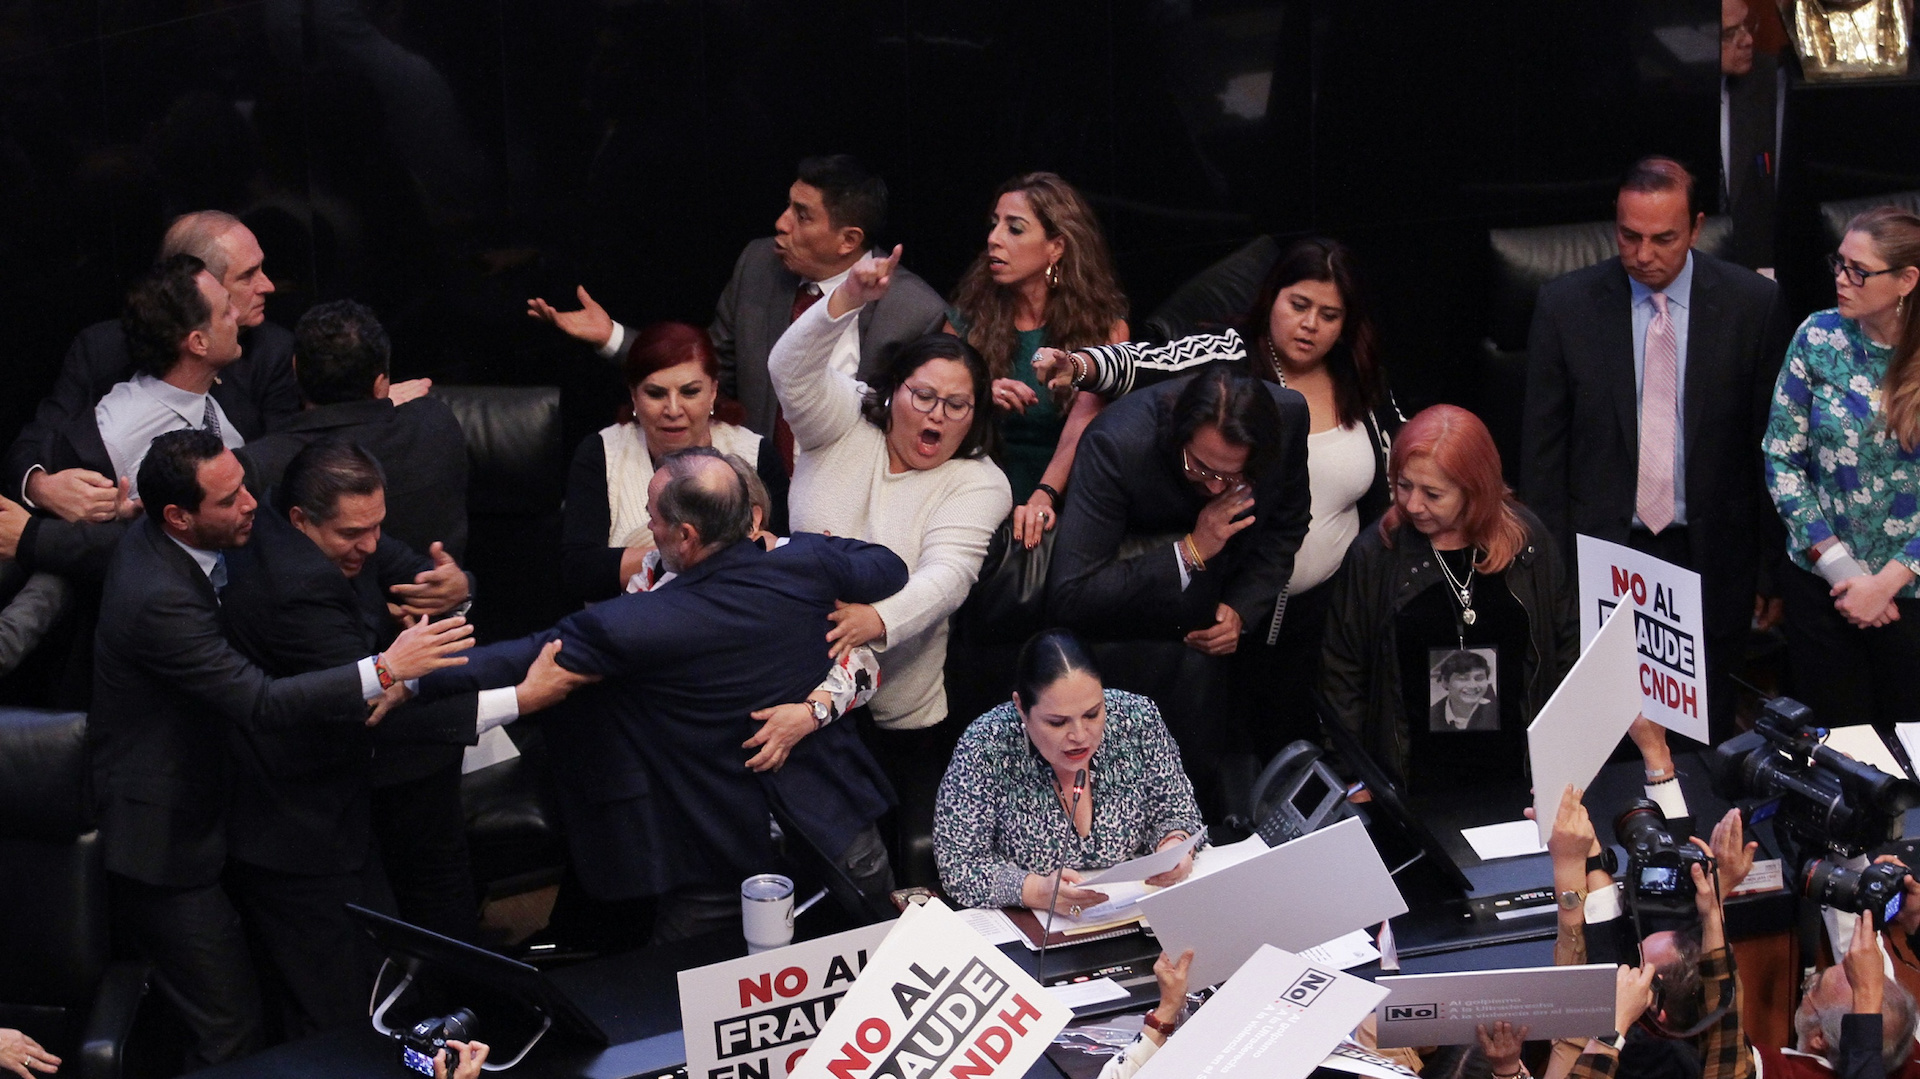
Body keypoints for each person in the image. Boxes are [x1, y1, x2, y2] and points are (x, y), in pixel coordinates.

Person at [412, 447, 909, 940]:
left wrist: (404, 672)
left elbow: (515, 658)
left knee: (674, 991)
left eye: (653, 517)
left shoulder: (640, 622)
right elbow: (887, 566)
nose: (648, 527)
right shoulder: (809, 562)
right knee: (888, 950)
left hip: (717, 843)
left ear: (686, 536)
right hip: (832, 816)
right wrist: (854, 606)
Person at [90, 428, 472, 1067]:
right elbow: (260, 702)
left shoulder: (196, 524)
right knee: (228, 1029)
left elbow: (382, 553)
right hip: (166, 841)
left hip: (222, 809)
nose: (250, 505)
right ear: (178, 517)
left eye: (243, 484)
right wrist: (383, 669)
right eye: (229, 499)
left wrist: (451, 584)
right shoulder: (157, 597)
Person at [218, 439, 569, 1033]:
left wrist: (455, 589)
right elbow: (376, 708)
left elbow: (407, 570)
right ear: (302, 521)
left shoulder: (319, 523)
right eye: (353, 534)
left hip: (374, 785)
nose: (371, 543)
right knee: (348, 994)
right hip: (309, 808)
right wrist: (520, 699)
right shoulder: (294, 586)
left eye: (377, 525)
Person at [1035, 237, 1402, 754]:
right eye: (1299, 305)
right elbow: (1148, 361)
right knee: (1237, 745)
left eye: (1329, 314)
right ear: (1272, 296)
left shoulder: (1349, 381)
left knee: (1319, 748)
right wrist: (1080, 367)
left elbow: (1389, 454)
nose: (1310, 325)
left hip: (1327, 605)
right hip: (1229, 602)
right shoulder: (1227, 357)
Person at [1522, 156, 1788, 745]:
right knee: (1609, 738)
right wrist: (1548, 572)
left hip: (1709, 555)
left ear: (1695, 228)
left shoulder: (1752, 306)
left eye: (1663, 238)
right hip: (1603, 555)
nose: (1644, 254)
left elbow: (1769, 449)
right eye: (1629, 236)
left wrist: (1771, 569)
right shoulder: (1567, 306)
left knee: (1702, 737)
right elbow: (1543, 454)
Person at [767, 246, 1012, 854]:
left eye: (957, 406)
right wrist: (845, 300)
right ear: (892, 390)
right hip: (790, 682)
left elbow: (949, 577)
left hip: (895, 716)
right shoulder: (842, 420)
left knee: (892, 870)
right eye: (922, 396)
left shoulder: (979, 480)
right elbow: (789, 369)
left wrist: (875, 620)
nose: (937, 416)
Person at [528, 155, 947, 455]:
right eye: (788, 206)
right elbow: (709, 371)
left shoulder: (912, 311)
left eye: (802, 216)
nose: (781, 223)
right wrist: (613, 338)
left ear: (849, 241)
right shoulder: (759, 268)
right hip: (757, 492)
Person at [1046, 363, 1308, 812]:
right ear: (1180, 433)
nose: (1213, 487)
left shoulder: (1289, 414)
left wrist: (1243, 606)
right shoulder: (1117, 442)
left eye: (1231, 477)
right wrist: (1191, 550)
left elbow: (1287, 523)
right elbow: (1071, 591)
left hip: (1216, 662)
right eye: (1200, 467)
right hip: (1123, 653)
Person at [1322, 405, 1578, 791]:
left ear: (1475, 490)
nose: (1412, 505)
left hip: (1518, 778)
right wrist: (1353, 779)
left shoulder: (1529, 543)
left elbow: (1568, 651)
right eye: (1404, 485)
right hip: (1412, 782)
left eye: (1433, 494)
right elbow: (1342, 675)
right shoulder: (1377, 554)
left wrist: (1566, 759)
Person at [4, 212, 299, 523]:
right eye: (247, 275)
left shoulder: (272, 351)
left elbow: (279, 461)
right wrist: (40, 486)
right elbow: (34, 442)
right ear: (197, 282)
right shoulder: (103, 352)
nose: (267, 285)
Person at [1763, 206, 1920, 729]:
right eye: (1840, 263)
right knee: (1841, 757)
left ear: (1906, 281)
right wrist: (1842, 569)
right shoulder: (1818, 336)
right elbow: (1782, 458)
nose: (1841, 279)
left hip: (1910, 597)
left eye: (1859, 270)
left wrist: (1887, 583)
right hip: (1824, 589)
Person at [934, 629, 1202, 912]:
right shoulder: (985, 744)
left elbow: (1177, 812)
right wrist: (1034, 890)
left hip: (1139, 909)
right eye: (1057, 722)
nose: (1079, 735)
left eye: (1092, 714)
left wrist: (1175, 846)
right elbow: (959, 865)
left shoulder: (1137, 719)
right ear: (1021, 708)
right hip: (1036, 924)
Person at [944, 171, 1129, 527]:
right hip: (973, 489)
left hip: (1068, 495)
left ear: (1056, 247)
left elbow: (1083, 426)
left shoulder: (1105, 326)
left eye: (1014, 228)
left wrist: (1044, 496)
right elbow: (929, 396)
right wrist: (978, 394)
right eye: (994, 224)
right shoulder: (971, 315)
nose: (993, 239)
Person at [559, 321, 787, 604]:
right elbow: (581, 571)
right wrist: (707, 554)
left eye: (690, 392)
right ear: (633, 394)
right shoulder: (600, 451)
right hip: (624, 631)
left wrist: (662, 556)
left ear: (714, 391)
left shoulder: (755, 452)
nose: (673, 410)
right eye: (655, 394)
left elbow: (781, 558)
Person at [237, 299, 469, 560]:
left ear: (294, 368)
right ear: (380, 383)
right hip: (442, 591)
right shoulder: (436, 421)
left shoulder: (260, 465)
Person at [1720, 0, 1784, 271]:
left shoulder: (1769, 80)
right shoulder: (1662, 89)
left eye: (1748, 25)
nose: (1747, 40)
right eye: (1730, 33)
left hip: (1754, 265)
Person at [1428, 649, 1498, 732]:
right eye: (1463, 679)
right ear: (1445, 682)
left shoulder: (1496, 712)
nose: (1473, 685)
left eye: (1479, 678)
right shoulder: (1431, 717)